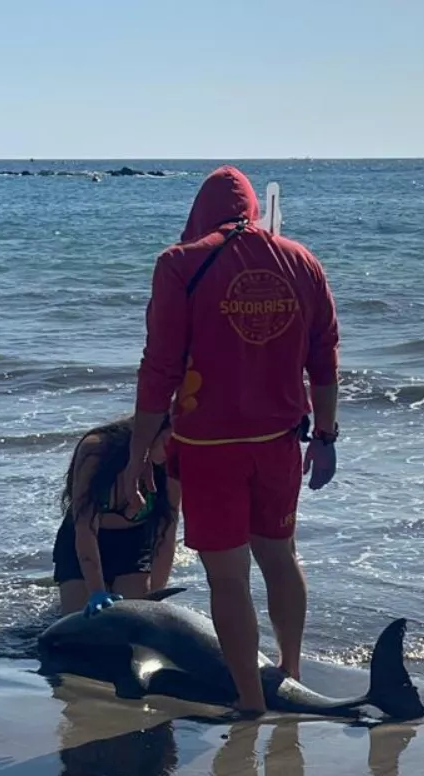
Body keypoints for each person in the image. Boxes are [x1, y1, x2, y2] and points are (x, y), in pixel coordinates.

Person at [120, 167, 340, 715]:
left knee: (227, 577)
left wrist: (136, 455)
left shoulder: (179, 264)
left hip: (210, 449)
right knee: (280, 557)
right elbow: (325, 357)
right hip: (281, 441)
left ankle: (251, 701)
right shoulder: (302, 260)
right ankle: (290, 671)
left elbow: (160, 367)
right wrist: (326, 436)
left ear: (199, 213)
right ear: (253, 210)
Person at [54, 414, 180, 615]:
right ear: (150, 428)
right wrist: (97, 590)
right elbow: (84, 527)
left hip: (134, 546)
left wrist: (156, 595)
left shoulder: (174, 461)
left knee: (135, 615)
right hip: (83, 542)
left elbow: (166, 535)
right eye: (169, 439)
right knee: (83, 619)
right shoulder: (96, 450)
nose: (173, 448)